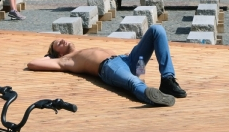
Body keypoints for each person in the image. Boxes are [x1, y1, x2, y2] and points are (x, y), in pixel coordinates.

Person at [27, 25, 187, 106]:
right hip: (110, 68)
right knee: (133, 82)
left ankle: (168, 80)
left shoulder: (82, 50)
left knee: (156, 29)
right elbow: (32, 63)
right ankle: (151, 97)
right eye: (57, 44)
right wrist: (48, 57)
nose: (61, 40)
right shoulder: (64, 61)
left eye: (60, 39)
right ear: (58, 54)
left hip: (129, 61)